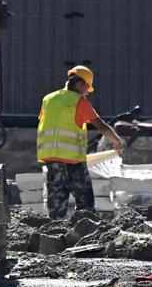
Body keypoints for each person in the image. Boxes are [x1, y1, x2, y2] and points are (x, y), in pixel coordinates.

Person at [36, 65, 124, 219]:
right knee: (85, 198)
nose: (86, 93)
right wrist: (116, 142)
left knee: (57, 197)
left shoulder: (48, 99)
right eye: (86, 88)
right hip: (72, 158)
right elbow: (100, 126)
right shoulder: (79, 101)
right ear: (79, 84)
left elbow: (48, 122)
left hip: (51, 156)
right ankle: (84, 229)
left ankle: (53, 231)